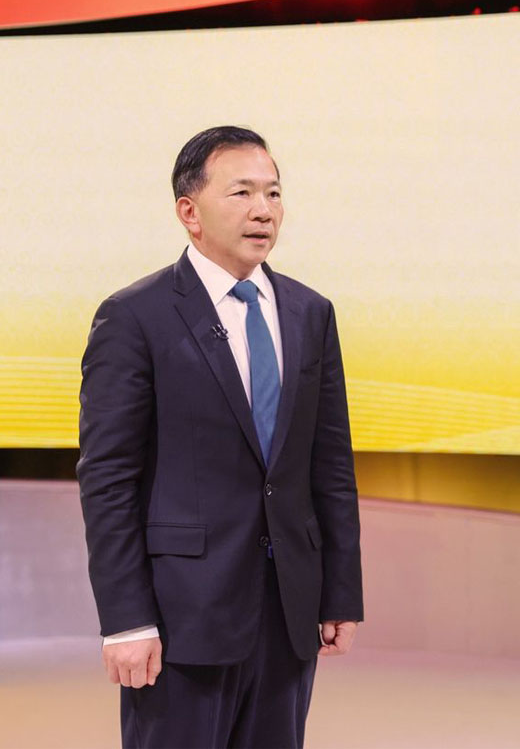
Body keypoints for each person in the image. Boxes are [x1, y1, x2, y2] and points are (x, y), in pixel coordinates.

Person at [77, 126, 364, 748]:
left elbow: (330, 465)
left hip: (287, 612)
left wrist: (339, 591)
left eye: (274, 193)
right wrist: (126, 621)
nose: (264, 210)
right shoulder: (135, 316)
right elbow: (108, 478)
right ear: (189, 211)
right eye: (242, 193)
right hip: (181, 618)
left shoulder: (310, 312)